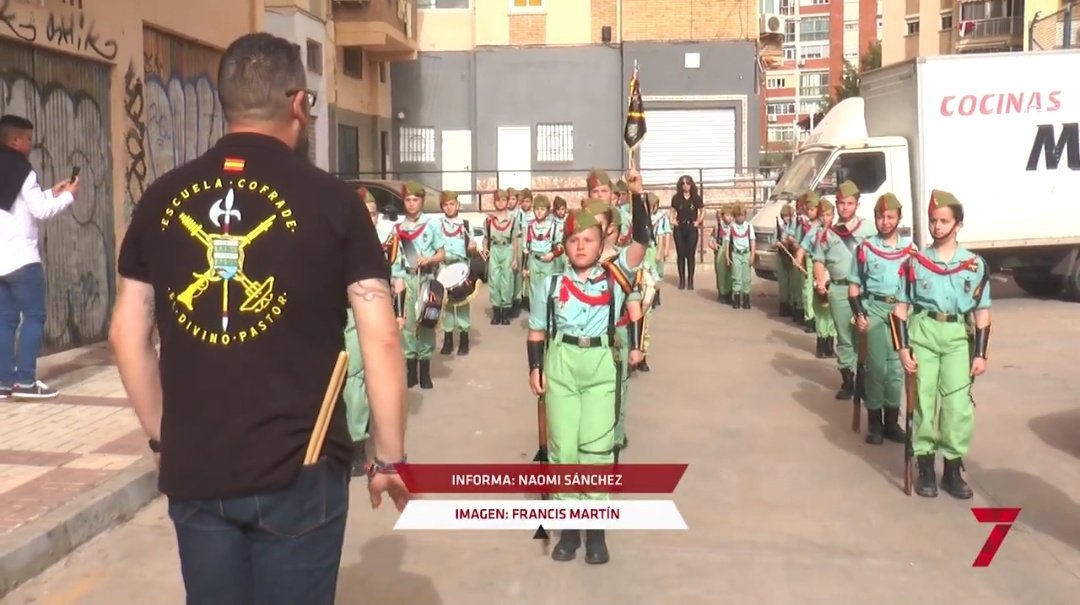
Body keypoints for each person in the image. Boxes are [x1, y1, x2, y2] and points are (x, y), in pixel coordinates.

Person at [108, 33, 409, 605]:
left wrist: (161, 437)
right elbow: (382, 335)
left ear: (228, 103)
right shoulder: (334, 201)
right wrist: (388, 457)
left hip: (197, 469)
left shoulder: (161, 198)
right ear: (298, 104)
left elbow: (126, 333)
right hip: (301, 468)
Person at [527, 174, 650, 565]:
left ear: (601, 244)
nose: (581, 247)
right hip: (560, 363)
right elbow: (536, 331)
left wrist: (637, 193)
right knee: (563, 449)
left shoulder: (615, 278)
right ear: (564, 246)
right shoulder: (549, 284)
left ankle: (596, 532)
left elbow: (642, 241)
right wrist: (534, 369)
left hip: (600, 365)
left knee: (595, 450)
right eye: (574, 241)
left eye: (588, 240)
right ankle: (569, 532)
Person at [890, 190, 991, 500]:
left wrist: (981, 353)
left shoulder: (974, 265)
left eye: (943, 221)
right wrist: (903, 348)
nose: (936, 226)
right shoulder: (915, 262)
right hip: (924, 332)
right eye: (933, 221)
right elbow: (900, 309)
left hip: (957, 337)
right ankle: (924, 464)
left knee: (958, 406)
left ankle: (951, 467)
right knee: (923, 399)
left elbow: (982, 311)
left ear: (958, 224)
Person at [0, 114, 80, 401]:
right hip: (23, 259)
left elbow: (18, 206)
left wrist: (51, 192)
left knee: (5, 321)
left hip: (1, 262)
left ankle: (5, 383)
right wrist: (69, 196)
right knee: (34, 316)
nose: (32, 145)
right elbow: (40, 212)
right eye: (29, 139)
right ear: (15, 140)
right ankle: (25, 381)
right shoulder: (24, 171)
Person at [342, 190, 407, 476]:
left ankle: (357, 443)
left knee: (359, 375)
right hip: (341, 314)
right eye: (362, 211)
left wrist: (400, 313)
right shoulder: (338, 240)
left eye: (371, 212)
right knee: (349, 377)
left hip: (371, 315)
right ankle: (353, 437)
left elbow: (400, 279)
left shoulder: (388, 241)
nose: (367, 217)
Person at [848, 193, 913, 445]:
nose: (885, 222)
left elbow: (915, 287)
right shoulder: (866, 248)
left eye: (890, 217)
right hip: (874, 310)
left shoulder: (910, 250)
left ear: (898, 218)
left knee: (896, 369)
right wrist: (859, 314)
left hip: (899, 312)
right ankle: (874, 422)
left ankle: (891, 421)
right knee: (876, 369)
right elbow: (854, 286)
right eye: (880, 217)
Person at [813, 181, 876, 399]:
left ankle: (865, 380)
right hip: (839, 290)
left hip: (864, 291)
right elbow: (819, 260)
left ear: (857, 204)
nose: (845, 208)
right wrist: (820, 280)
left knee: (865, 335)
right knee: (844, 337)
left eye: (849, 203)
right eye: (841, 203)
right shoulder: (827, 234)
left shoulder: (869, 229)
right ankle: (848, 380)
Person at [391, 181, 446, 389]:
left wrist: (429, 259)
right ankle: (411, 371)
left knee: (426, 323)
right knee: (407, 325)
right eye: (408, 200)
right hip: (407, 278)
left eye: (415, 200)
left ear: (422, 201)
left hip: (425, 279)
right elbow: (396, 261)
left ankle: (425, 371)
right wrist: (397, 282)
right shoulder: (399, 229)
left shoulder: (431, 225)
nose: (411, 204)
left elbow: (442, 253)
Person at [437, 191, 476, 356]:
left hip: (460, 268)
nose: (449, 207)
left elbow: (472, 252)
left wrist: (472, 249)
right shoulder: (438, 225)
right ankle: (447, 340)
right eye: (445, 205)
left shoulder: (465, 225)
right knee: (445, 305)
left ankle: (464, 340)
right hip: (444, 268)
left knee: (461, 305)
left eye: (452, 204)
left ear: (458, 205)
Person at [800, 197, 836, 357]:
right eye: (823, 215)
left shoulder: (837, 232)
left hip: (833, 274)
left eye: (829, 215)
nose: (826, 218)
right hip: (820, 273)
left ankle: (830, 344)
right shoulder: (814, 231)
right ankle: (821, 345)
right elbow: (803, 246)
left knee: (833, 310)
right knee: (822, 309)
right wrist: (798, 257)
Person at [483, 189, 518, 325]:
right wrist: (485, 248)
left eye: (503, 200)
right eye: (498, 200)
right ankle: (496, 312)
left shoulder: (513, 220)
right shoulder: (489, 220)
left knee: (507, 280)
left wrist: (515, 258)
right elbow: (486, 237)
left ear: (507, 201)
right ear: (494, 201)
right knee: (494, 279)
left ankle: (505, 312)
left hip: (507, 248)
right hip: (495, 249)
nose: (500, 202)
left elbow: (515, 240)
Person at [523, 195, 562, 313]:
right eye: (537, 209)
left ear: (547, 210)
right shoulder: (530, 226)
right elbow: (526, 248)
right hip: (534, 261)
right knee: (533, 291)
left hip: (548, 261)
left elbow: (560, 247)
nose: (539, 212)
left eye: (542, 209)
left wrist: (552, 254)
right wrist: (525, 267)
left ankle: (547, 319)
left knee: (547, 290)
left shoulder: (554, 226)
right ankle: (536, 318)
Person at [670, 175, 704, 290]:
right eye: (683, 183)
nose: (685, 186)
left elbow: (703, 210)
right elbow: (672, 210)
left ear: (691, 185)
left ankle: (690, 280)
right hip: (680, 227)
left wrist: (698, 221)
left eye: (688, 183)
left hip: (691, 227)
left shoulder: (696, 198)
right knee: (681, 255)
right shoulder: (676, 198)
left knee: (690, 255)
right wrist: (672, 220)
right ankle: (682, 280)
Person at [726, 203, 756, 309]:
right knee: (736, 277)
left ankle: (746, 299)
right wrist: (727, 256)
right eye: (738, 215)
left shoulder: (749, 226)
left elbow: (752, 241)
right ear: (735, 216)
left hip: (746, 253)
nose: (740, 217)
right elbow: (727, 241)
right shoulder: (731, 227)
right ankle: (737, 298)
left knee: (746, 278)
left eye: (742, 215)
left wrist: (752, 255)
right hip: (736, 254)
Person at [646, 191, 671, 309]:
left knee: (658, 272)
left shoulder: (661, 217)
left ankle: (657, 294)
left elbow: (665, 234)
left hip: (656, 248)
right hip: (646, 248)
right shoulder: (644, 218)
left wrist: (665, 249)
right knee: (648, 272)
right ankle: (649, 294)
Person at [709, 205, 733, 303]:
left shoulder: (734, 226)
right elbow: (711, 240)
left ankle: (729, 293)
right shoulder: (718, 226)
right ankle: (722, 293)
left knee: (730, 273)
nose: (730, 218)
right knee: (721, 273)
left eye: (732, 215)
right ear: (723, 216)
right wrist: (713, 245)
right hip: (720, 251)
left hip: (730, 251)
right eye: (727, 215)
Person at [775, 203, 796, 317]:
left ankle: (794, 306)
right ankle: (784, 305)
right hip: (782, 256)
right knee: (783, 283)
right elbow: (773, 243)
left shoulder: (794, 228)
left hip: (792, 255)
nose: (786, 218)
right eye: (784, 216)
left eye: (788, 216)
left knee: (793, 284)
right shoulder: (779, 228)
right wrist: (777, 243)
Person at [551, 195, 569, 274]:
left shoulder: (567, 221)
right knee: (556, 272)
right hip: (555, 249)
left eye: (562, 209)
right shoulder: (552, 221)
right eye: (558, 209)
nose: (560, 212)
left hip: (565, 250)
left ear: (566, 209)